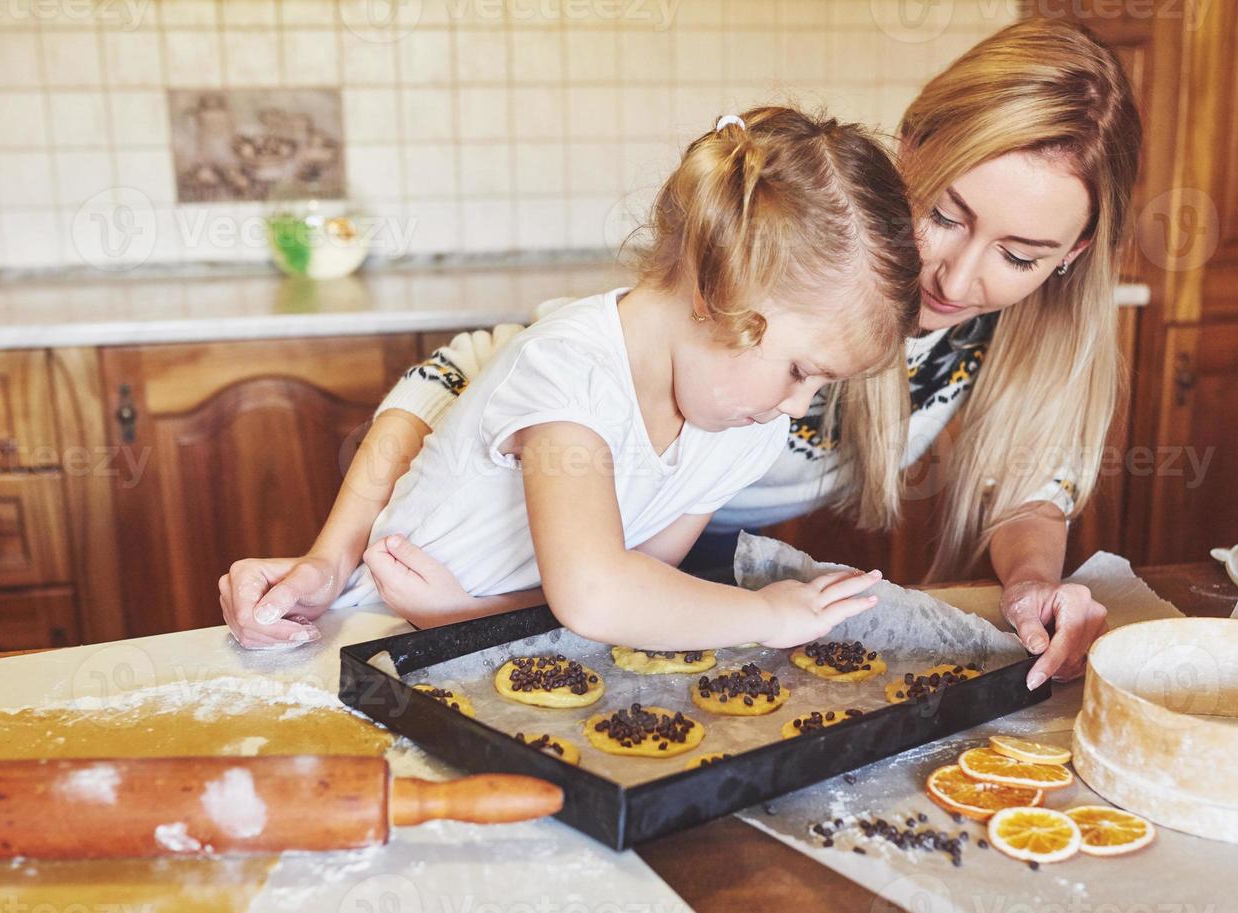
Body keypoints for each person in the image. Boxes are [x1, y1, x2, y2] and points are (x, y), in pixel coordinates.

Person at [221, 19, 1142, 690]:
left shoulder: (781, 407)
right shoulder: (765, 267)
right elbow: (464, 385)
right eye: (942, 212)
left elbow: (1031, 484)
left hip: (641, 577)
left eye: (1020, 257)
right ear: (909, 150)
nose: (956, 275)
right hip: (562, 578)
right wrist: (329, 561)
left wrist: (1032, 588)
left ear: (1070, 257)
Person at [238, 106, 922, 651]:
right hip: (370, 639)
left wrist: (466, 615)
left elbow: (631, 588)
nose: (796, 406)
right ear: (718, 296)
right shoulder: (569, 368)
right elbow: (596, 593)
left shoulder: (738, 430)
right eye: (800, 370)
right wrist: (765, 615)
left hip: (498, 645)